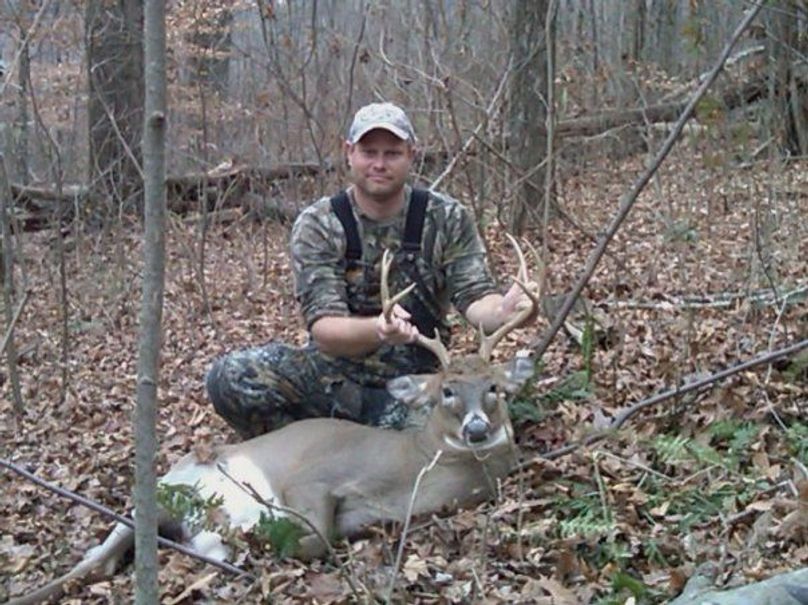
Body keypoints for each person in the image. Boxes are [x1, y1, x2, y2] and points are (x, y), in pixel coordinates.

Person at [206, 102, 535, 439]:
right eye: (368, 152)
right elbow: (324, 329)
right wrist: (378, 330)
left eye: (392, 153)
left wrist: (503, 311)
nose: (379, 164)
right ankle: (299, 451)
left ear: (411, 154)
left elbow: (475, 295)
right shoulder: (320, 224)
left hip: (415, 386)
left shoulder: (445, 217)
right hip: (333, 378)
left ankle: (376, 448)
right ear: (349, 152)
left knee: (458, 426)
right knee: (231, 376)